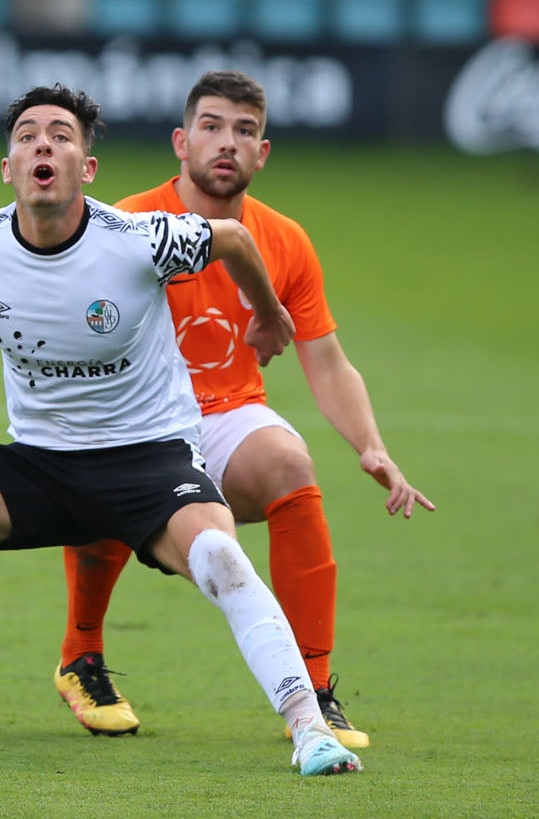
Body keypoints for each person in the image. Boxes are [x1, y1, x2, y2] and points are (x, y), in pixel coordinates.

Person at [0, 83, 364, 778]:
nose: (43, 143)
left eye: (62, 135)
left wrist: (269, 312)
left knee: (222, 558)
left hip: (149, 465)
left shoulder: (137, 239)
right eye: (27, 135)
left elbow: (231, 235)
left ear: (88, 167)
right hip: (43, 468)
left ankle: (309, 728)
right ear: (9, 167)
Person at [51, 70, 434, 752]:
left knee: (290, 463)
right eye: (212, 126)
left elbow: (326, 358)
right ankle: (82, 655)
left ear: (263, 153)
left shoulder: (285, 240)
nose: (227, 142)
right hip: (136, 416)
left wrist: (370, 444)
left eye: (244, 130)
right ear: (181, 141)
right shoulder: (128, 220)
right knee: (101, 461)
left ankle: (314, 690)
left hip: (226, 413)